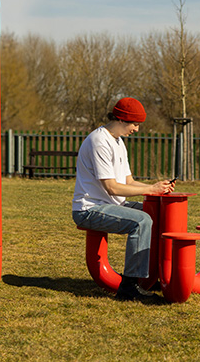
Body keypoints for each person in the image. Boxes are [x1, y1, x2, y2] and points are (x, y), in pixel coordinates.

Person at [71, 97, 175, 301]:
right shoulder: (99, 141)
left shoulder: (118, 142)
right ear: (121, 119)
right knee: (142, 220)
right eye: (135, 124)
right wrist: (151, 189)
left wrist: (155, 188)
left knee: (155, 211)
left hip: (109, 204)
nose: (136, 129)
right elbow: (111, 186)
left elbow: (128, 181)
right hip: (89, 209)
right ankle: (129, 287)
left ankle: (152, 277)